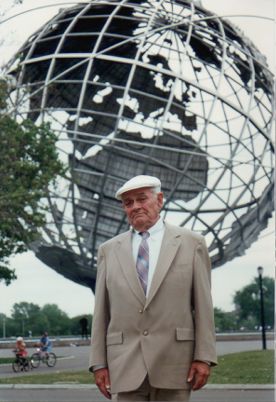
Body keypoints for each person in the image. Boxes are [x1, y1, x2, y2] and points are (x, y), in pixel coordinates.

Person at [89, 175, 217, 401]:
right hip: (124, 364)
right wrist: (98, 363)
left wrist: (203, 357)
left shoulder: (192, 243)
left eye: (141, 199)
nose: (135, 206)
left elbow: (203, 306)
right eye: (128, 203)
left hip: (176, 363)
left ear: (159, 200)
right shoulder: (108, 250)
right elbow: (102, 311)